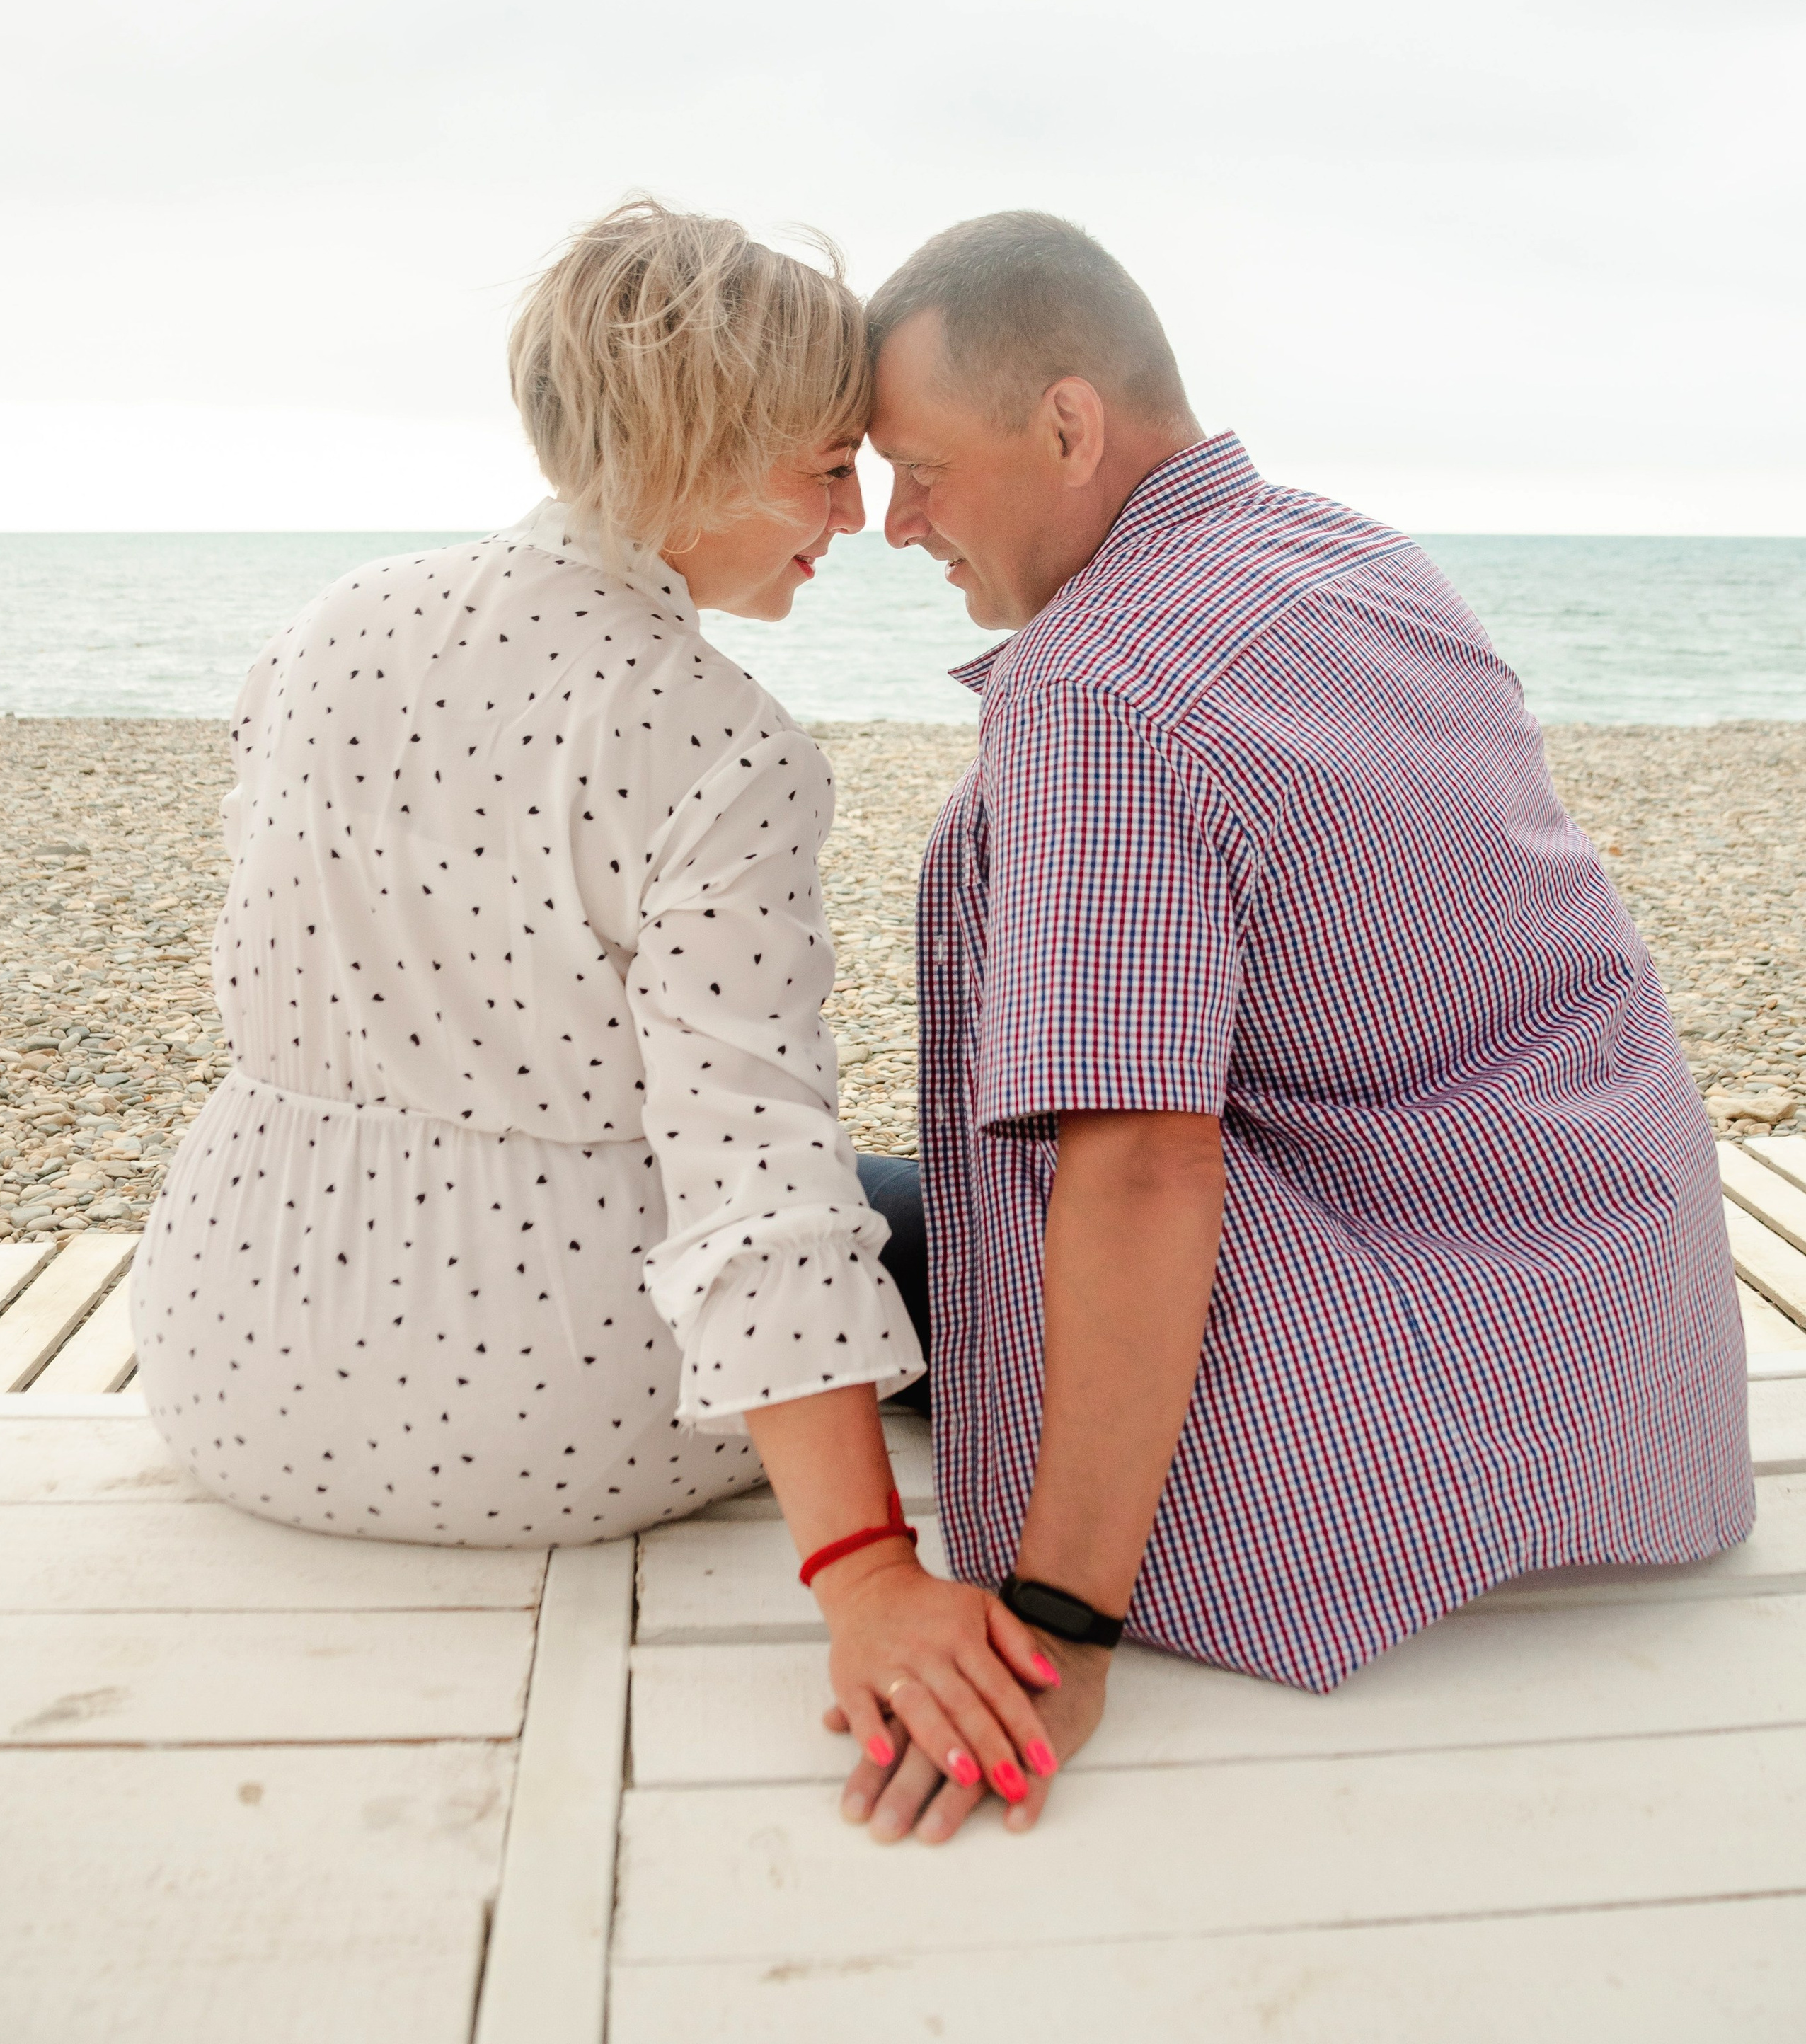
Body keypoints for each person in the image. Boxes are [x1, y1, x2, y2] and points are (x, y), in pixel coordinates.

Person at [839, 206, 1753, 1847]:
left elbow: (1140, 1165)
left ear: (1065, 423)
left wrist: (1059, 1615)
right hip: (1615, 1336)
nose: (898, 524)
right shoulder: (1352, 553)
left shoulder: (1094, 686)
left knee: (811, 1238)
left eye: (921, 468)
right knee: (884, 1205)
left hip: (1384, 1381)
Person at [131, 196, 1057, 1815]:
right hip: (561, 1410)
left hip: (222, 1358)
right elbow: (751, 1170)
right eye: (826, 467)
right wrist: (863, 1572)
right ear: (698, 451)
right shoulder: (719, 739)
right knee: (956, 1214)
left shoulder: (323, 629)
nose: (851, 518)